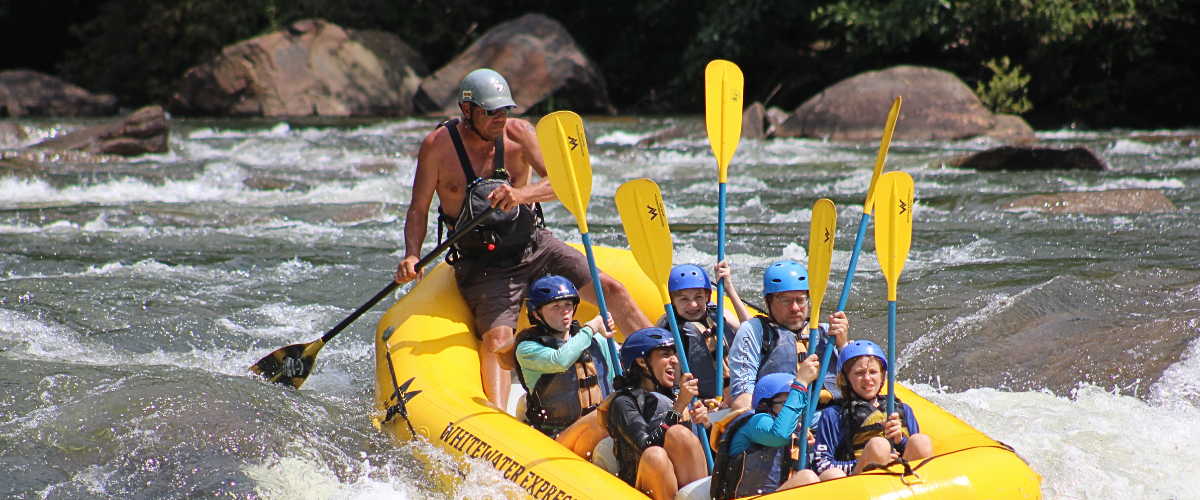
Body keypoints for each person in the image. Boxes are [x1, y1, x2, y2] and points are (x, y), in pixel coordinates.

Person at [393, 68, 652, 409]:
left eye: (504, 110)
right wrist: (412, 255)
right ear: (467, 111)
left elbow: (564, 183)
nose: (500, 119)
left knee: (613, 290)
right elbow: (418, 209)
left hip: (535, 244)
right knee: (500, 338)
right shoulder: (438, 147)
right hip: (486, 265)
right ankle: (496, 422)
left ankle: (664, 365)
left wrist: (521, 193)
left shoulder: (519, 134)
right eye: (491, 112)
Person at [511, 275, 616, 458]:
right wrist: (592, 327)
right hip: (557, 439)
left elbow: (615, 384)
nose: (565, 311)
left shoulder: (598, 341)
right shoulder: (527, 349)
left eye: (568, 304)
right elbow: (560, 361)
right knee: (599, 417)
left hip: (600, 432)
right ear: (536, 313)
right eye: (555, 306)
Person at [727, 260, 850, 411]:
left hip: (832, 418)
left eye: (800, 300)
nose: (795, 308)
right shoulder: (754, 332)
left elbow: (855, 384)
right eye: (785, 300)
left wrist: (843, 346)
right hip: (780, 422)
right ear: (767, 301)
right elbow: (743, 395)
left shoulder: (827, 332)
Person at [604, 327, 710, 500]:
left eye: (674, 354)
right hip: (642, 486)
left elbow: (710, 453)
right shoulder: (624, 402)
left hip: (683, 486)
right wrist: (679, 407)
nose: (675, 360)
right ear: (642, 361)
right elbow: (646, 447)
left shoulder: (677, 393)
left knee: (680, 434)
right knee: (656, 455)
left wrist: (705, 424)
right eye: (666, 354)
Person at [811, 340, 934, 480]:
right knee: (878, 446)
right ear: (844, 379)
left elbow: (912, 453)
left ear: (882, 376)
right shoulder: (833, 415)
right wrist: (868, 460)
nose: (867, 378)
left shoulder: (902, 410)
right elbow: (821, 465)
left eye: (873, 372)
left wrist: (900, 441)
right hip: (858, 485)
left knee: (921, 441)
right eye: (859, 373)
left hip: (899, 483)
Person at [710, 369, 822, 499]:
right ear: (765, 404)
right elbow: (779, 435)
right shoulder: (756, 421)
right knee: (807, 479)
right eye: (786, 404)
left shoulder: (796, 432)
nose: (793, 409)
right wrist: (801, 382)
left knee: (831, 476)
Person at [656, 262, 751, 402]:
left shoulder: (721, 315)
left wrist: (729, 288)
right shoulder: (672, 334)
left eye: (698, 297)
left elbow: (753, 333)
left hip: (735, 395)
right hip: (702, 406)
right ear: (672, 302)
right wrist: (702, 403)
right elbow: (673, 389)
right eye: (684, 299)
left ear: (707, 297)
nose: (693, 305)